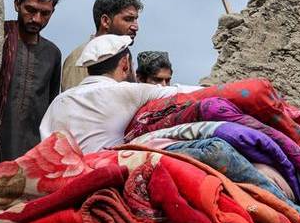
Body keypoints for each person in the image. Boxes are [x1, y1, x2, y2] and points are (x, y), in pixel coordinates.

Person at [40, 35, 199, 153]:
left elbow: (45, 149)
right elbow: (181, 92)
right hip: (102, 181)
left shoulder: (59, 101)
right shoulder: (126, 92)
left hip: (62, 186)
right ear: (125, 63)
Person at [0, 0, 63, 161]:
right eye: (30, 10)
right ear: (17, 4)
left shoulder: (53, 54)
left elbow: (51, 107)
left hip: (31, 152)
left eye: (45, 13)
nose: (36, 19)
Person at [60, 0, 142, 92]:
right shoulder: (81, 58)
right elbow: (75, 104)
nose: (135, 27)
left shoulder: (125, 57)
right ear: (105, 21)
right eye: (128, 19)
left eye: (135, 19)